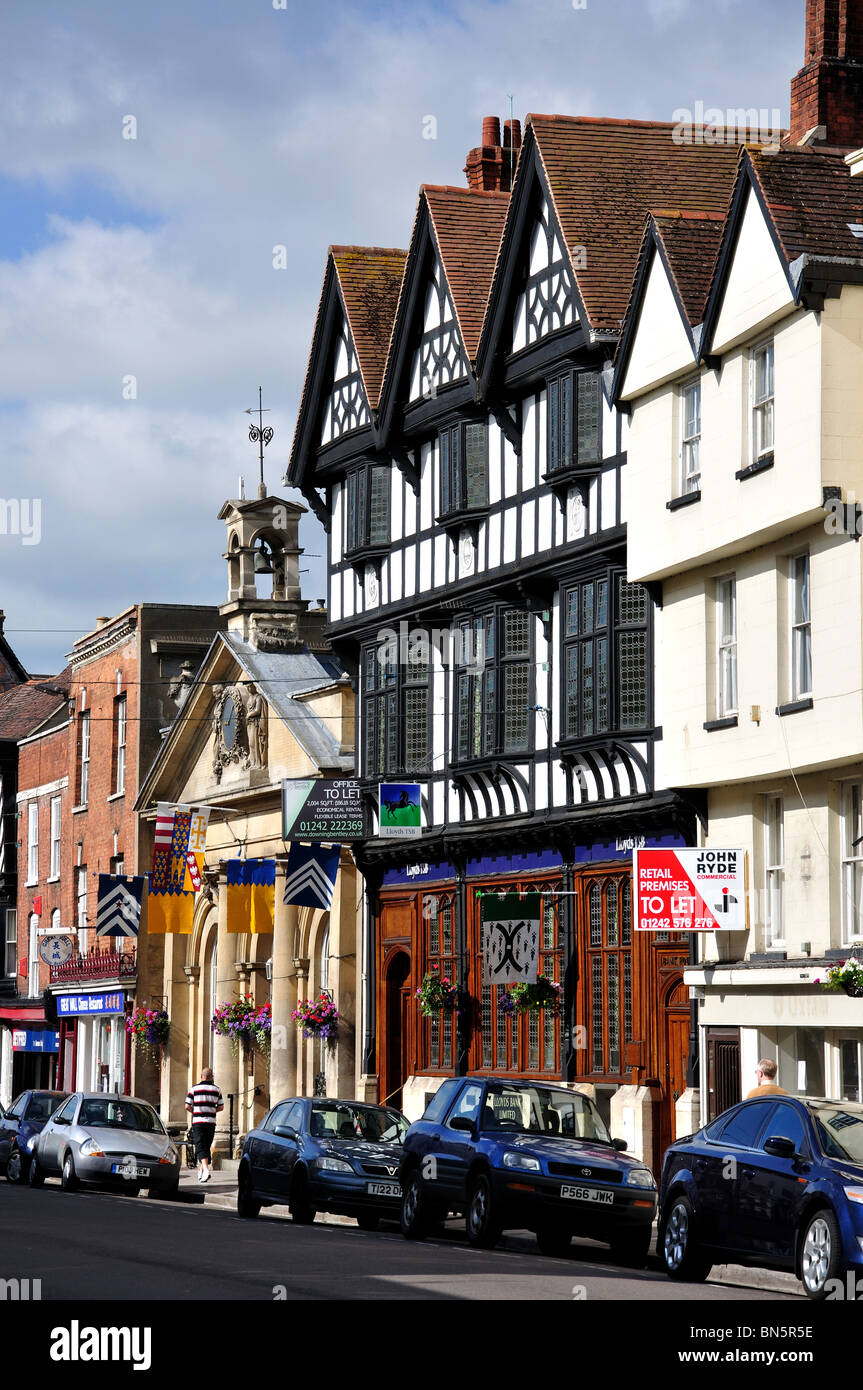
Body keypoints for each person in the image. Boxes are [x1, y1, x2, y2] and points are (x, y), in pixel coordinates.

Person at [184, 1067, 224, 1183]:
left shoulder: (194, 1089)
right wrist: (211, 1111)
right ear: (211, 1077)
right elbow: (221, 1107)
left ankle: (205, 1170)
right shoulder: (217, 1090)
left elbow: (187, 1105)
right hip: (211, 1122)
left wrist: (195, 1111)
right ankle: (202, 1172)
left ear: (202, 1076)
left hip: (198, 1121)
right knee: (206, 1145)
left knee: (200, 1145)